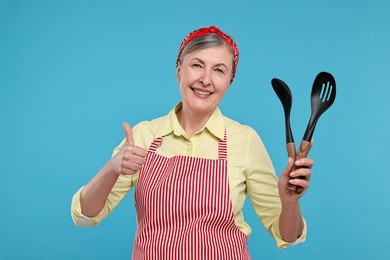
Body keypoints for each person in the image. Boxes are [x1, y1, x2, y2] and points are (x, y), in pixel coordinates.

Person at [71, 25, 314, 259]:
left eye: (219, 70)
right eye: (197, 65)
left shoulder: (245, 139)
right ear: (179, 70)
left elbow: (288, 237)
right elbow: (85, 216)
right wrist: (111, 168)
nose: (206, 79)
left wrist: (289, 202)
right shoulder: (144, 135)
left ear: (230, 81)